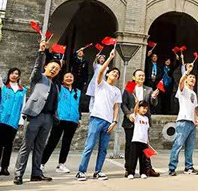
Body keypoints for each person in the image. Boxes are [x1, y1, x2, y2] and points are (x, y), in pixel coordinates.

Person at [13, 40, 61, 185]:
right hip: (34, 115)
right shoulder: (39, 77)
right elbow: (36, 67)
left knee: (40, 147)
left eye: (57, 69)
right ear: (46, 67)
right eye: (52, 67)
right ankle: (18, 174)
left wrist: (55, 118)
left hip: (48, 119)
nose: (54, 70)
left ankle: (36, 174)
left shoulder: (56, 86)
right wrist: (41, 53)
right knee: (26, 146)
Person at [75, 49, 121, 181]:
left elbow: (116, 107)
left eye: (117, 74)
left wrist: (115, 121)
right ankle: (81, 171)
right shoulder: (101, 84)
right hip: (96, 118)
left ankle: (98, 171)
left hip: (108, 121)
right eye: (113, 72)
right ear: (108, 74)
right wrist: (110, 58)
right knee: (89, 146)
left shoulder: (117, 91)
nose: (115, 74)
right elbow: (100, 71)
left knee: (103, 149)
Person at [121, 69, 159, 178]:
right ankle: (129, 169)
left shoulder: (149, 89)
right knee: (130, 147)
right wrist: (129, 115)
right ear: (134, 77)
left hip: (143, 122)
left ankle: (147, 168)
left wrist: (154, 97)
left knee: (145, 146)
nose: (141, 77)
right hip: (131, 121)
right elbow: (123, 104)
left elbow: (153, 104)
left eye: (143, 75)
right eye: (139, 75)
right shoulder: (130, 87)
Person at [40, 73, 81, 174]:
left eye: (71, 77)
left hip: (73, 120)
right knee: (52, 142)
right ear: (63, 79)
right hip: (60, 119)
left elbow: (78, 106)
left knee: (66, 143)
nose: (69, 78)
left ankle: (61, 164)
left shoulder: (78, 91)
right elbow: (55, 79)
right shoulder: (59, 88)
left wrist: (78, 118)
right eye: (66, 76)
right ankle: (41, 163)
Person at [168, 63, 198, 176]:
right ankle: (172, 168)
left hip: (191, 123)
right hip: (183, 121)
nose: (192, 79)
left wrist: (196, 119)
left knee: (190, 148)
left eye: (194, 77)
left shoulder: (194, 94)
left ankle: (189, 167)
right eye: (190, 77)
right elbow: (180, 82)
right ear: (186, 80)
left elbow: (195, 108)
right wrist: (187, 72)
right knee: (178, 145)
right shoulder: (183, 90)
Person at [0, 68, 27, 176]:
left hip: (14, 121)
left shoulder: (22, 90)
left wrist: (21, 120)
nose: (14, 75)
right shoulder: (3, 87)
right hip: (2, 118)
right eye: (12, 73)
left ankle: (4, 167)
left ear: (19, 76)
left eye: (16, 74)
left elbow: (23, 106)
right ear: (9, 74)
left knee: (8, 144)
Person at [126, 99, 151, 179]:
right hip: (136, 140)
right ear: (139, 108)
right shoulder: (136, 116)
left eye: (146, 108)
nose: (144, 110)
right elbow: (135, 111)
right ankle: (131, 173)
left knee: (143, 158)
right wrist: (137, 103)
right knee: (133, 158)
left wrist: (148, 141)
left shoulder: (146, 119)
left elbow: (147, 130)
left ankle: (143, 172)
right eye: (143, 108)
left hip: (144, 141)